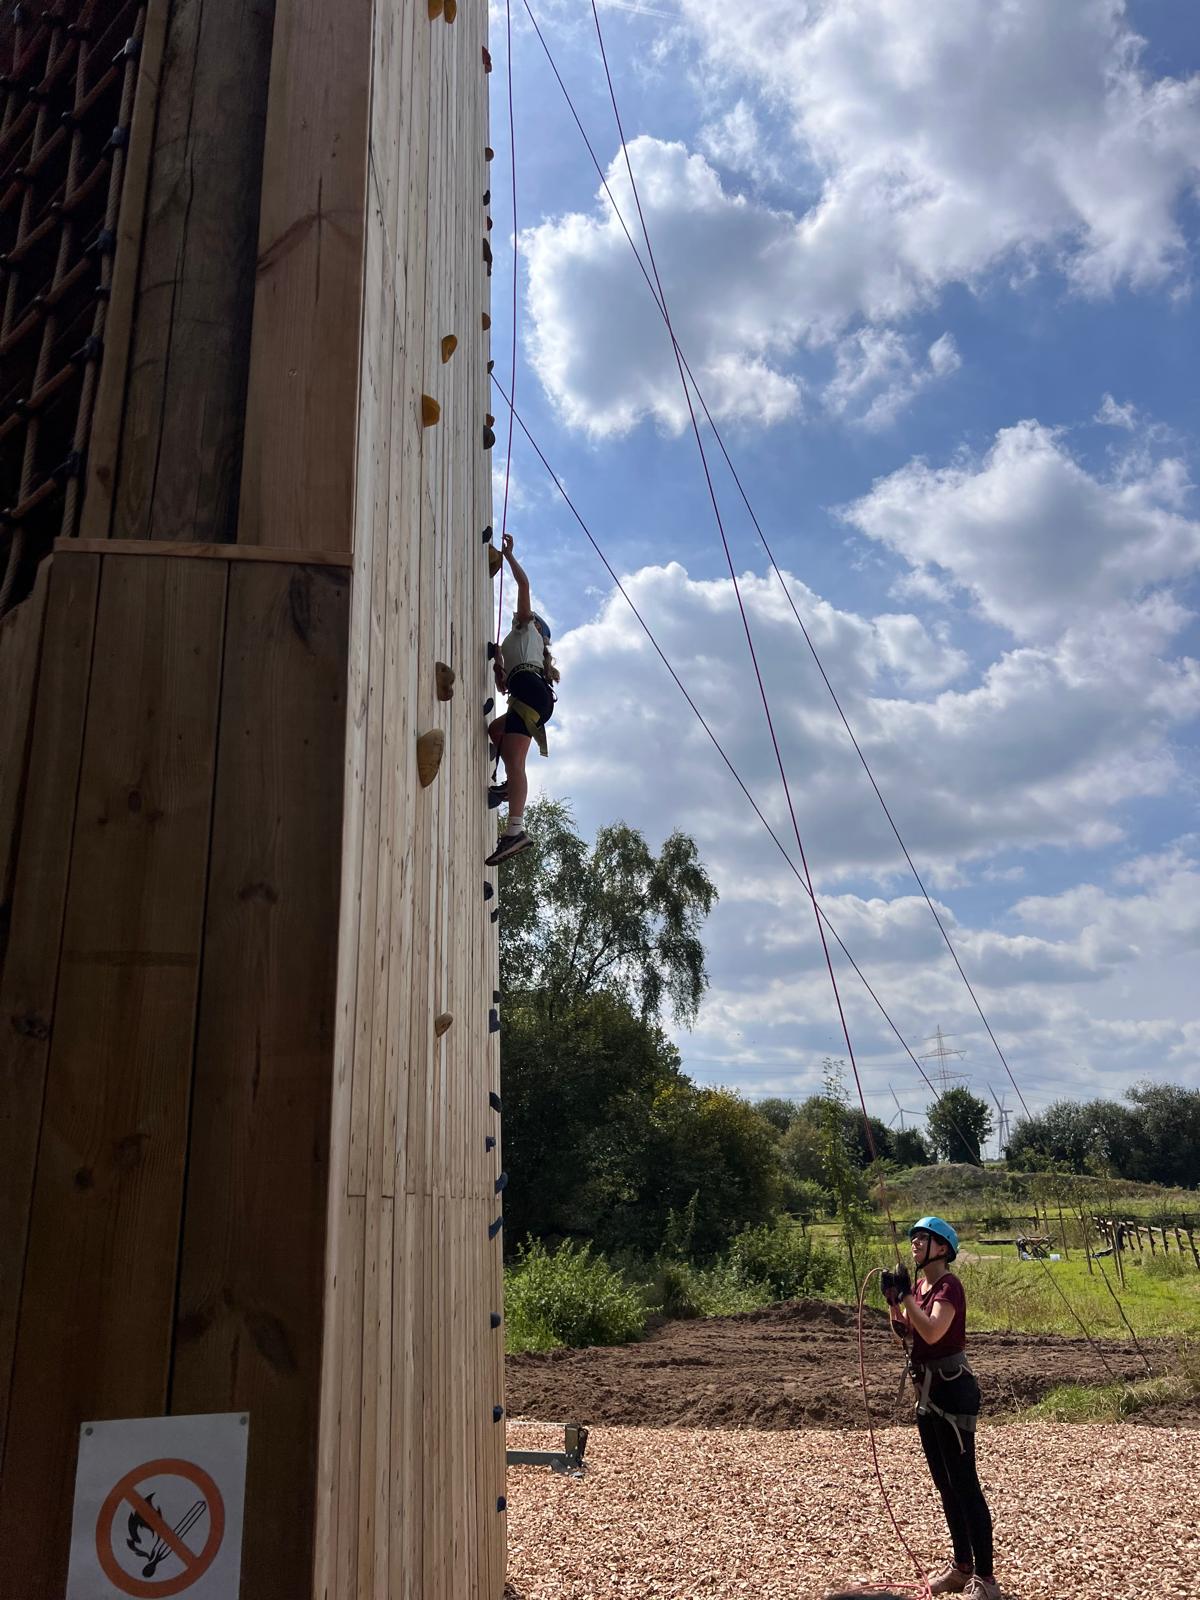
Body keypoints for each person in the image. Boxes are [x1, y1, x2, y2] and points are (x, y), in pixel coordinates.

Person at [881, 1217, 1000, 1600]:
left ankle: (985, 1578)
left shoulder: (949, 1285)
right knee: (945, 1485)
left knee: (965, 1484)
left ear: (943, 1248)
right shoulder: (921, 1286)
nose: (915, 1244)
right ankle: (961, 1567)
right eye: (914, 1239)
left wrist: (908, 1301)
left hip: (953, 1391)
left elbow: (933, 1330)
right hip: (928, 1392)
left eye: (923, 1239)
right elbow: (908, 1333)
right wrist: (894, 1303)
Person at [485, 533, 559, 866]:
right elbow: (504, 686)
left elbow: (523, 586)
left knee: (515, 762)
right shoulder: (517, 646)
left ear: (533, 626)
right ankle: (506, 790)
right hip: (527, 694)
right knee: (496, 732)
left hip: (529, 692)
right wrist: (499, 663)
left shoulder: (526, 632)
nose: (519, 616)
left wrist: (510, 556)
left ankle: (516, 831)